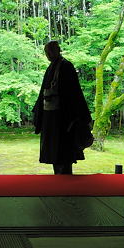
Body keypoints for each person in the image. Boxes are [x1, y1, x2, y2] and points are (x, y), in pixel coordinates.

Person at [32, 40, 93, 174]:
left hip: (63, 118)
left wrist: (77, 117)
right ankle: (58, 178)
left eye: (50, 51)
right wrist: (39, 114)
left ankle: (65, 179)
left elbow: (74, 93)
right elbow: (43, 92)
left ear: (58, 51)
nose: (48, 55)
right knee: (54, 152)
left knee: (63, 151)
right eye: (46, 52)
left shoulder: (66, 66)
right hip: (50, 117)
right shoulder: (51, 67)